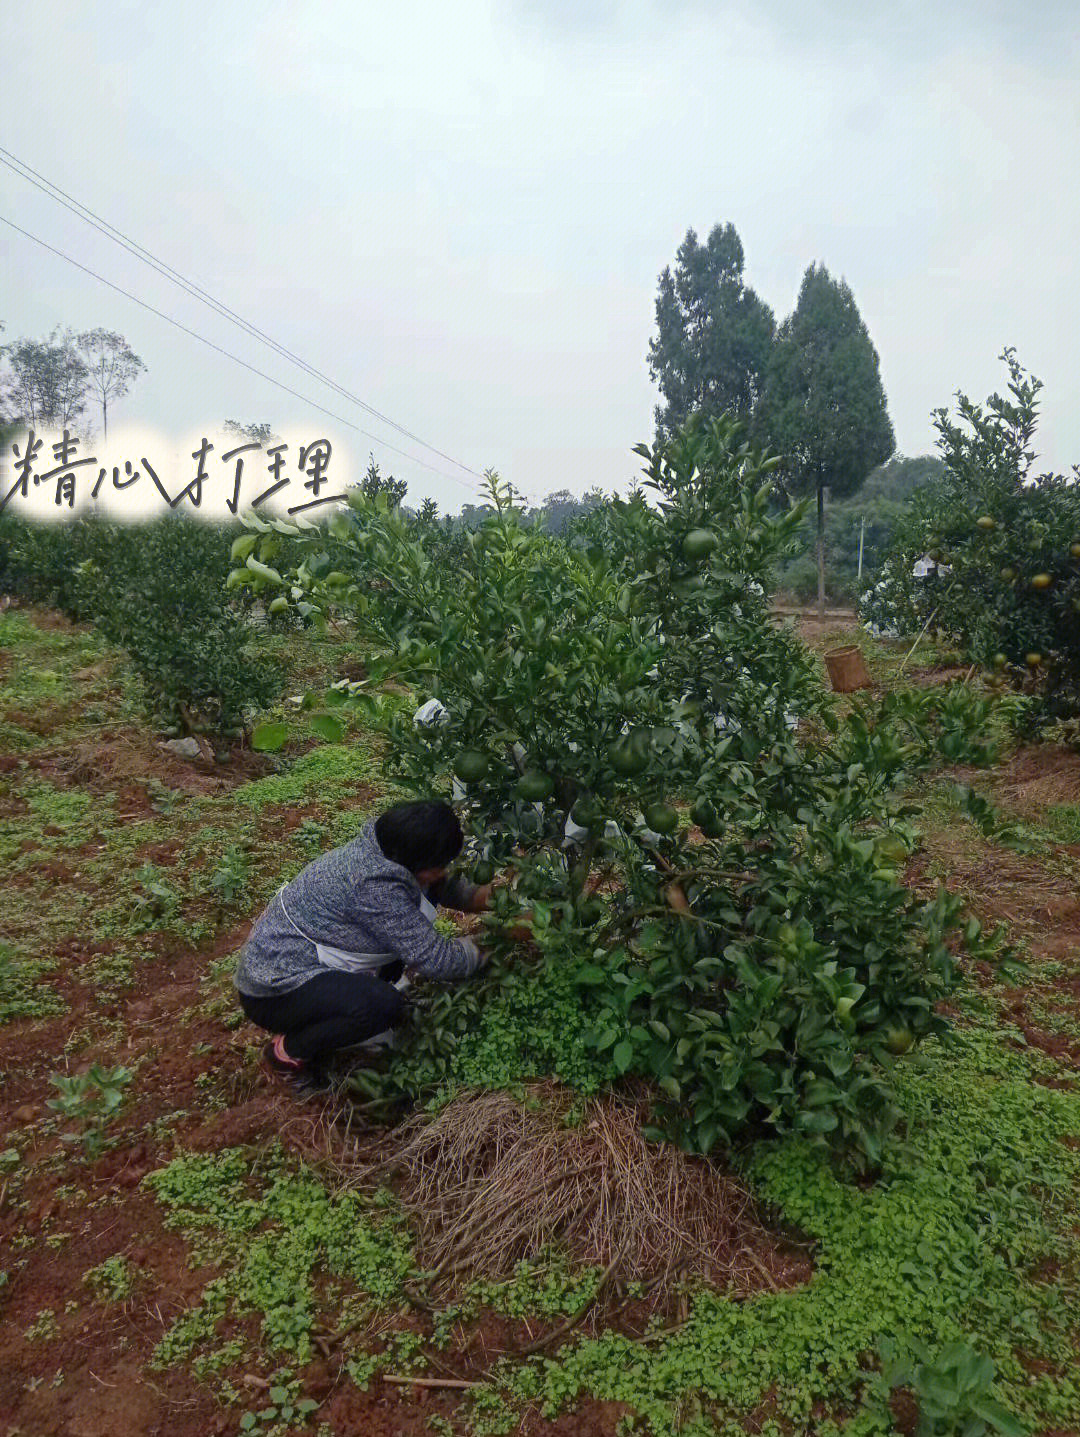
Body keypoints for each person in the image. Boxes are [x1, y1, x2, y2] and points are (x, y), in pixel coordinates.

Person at [234, 799, 511, 1094]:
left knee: (398, 954)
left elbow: (442, 886)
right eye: (439, 865)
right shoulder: (374, 886)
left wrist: (504, 898)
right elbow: (439, 960)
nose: (444, 872)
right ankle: (288, 1052)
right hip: (274, 991)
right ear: (411, 862)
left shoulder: (390, 848)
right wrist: (504, 936)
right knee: (381, 1007)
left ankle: (344, 1011)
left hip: (305, 957)